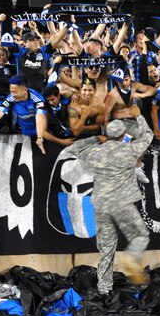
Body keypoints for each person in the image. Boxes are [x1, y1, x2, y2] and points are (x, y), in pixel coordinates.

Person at [65, 106, 153, 295]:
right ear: (123, 135)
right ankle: (131, 257)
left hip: (101, 204)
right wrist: (139, 116)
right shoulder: (129, 151)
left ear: (108, 134)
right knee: (140, 236)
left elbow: (74, 148)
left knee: (106, 247)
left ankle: (104, 289)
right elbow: (147, 135)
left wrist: (96, 139)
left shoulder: (94, 153)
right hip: (122, 203)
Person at [0, 75, 47, 154]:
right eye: (11, 91)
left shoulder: (37, 99)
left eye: (15, 92)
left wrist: (40, 137)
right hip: (22, 132)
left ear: (24, 90)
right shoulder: (11, 98)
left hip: (39, 134)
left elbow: (40, 118)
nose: (12, 94)